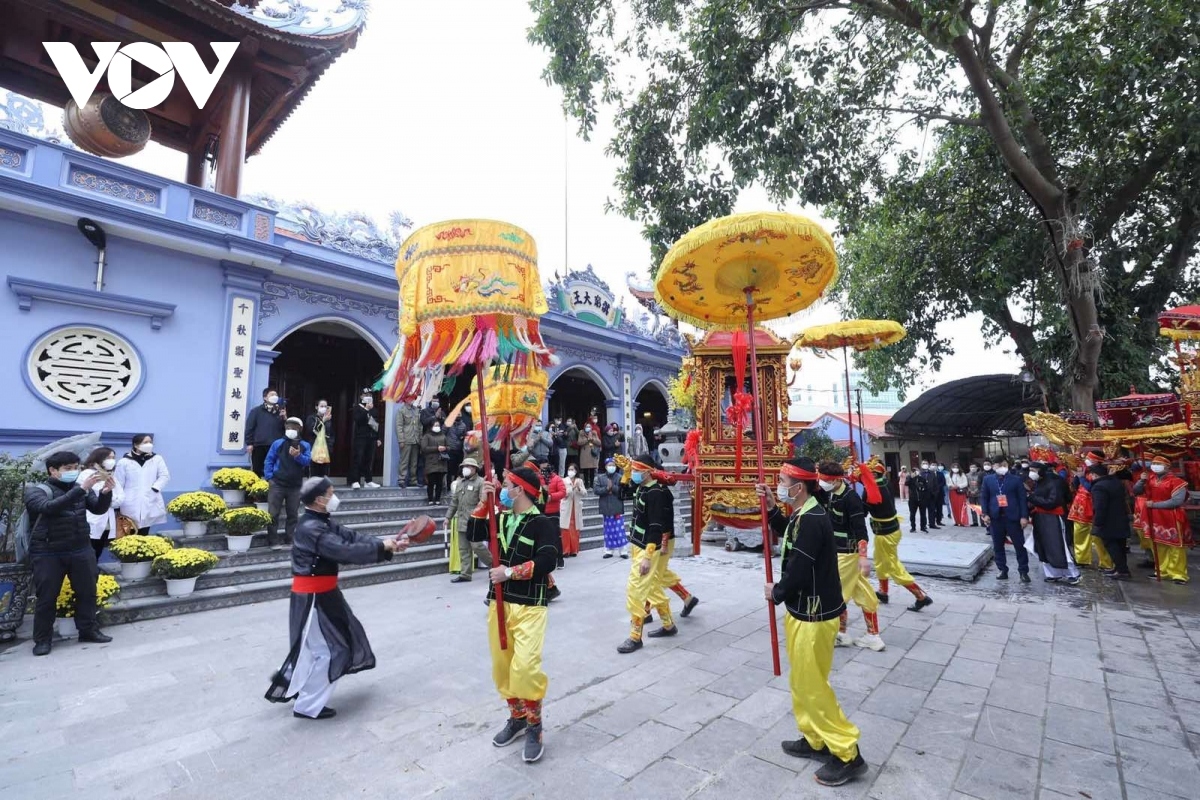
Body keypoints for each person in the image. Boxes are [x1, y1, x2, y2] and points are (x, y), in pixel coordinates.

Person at [756, 457, 867, 787]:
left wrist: (776, 591)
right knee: (801, 682)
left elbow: (800, 569)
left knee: (814, 687)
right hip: (801, 610)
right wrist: (774, 506)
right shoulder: (804, 513)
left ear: (798, 487)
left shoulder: (814, 519)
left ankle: (848, 753)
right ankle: (815, 738)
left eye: (781, 481)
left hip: (815, 615)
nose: (779, 485)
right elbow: (785, 534)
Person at [265, 477, 407, 719]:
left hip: (323, 593)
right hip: (313, 597)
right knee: (331, 651)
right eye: (331, 493)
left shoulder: (322, 522)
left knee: (313, 648)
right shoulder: (312, 528)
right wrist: (381, 547)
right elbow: (345, 551)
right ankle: (307, 705)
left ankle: (288, 680)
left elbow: (352, 538)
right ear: (319, 500)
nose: (334, 497)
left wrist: (387, 545)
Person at [481, 466, 559, 763]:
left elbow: (548, 559)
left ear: (520, 490)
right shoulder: (501, 517)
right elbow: (474, 533)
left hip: (530, 605)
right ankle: (516, 716)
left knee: (525, 668)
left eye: (506, 484)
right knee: (502, 667)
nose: (502, 487)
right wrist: (482, 503)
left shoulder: (542, 522)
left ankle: (534, 725)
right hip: (499, 603)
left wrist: (509, 572)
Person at [25, 451, 115, 656]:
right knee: (47, 598)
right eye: (68, 468)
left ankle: (88, 630)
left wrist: (105, 493)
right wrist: (81, 490)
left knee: (87, 593)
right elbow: (47, 508)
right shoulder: (37, 490)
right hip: (48, 552)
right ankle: (42, 640)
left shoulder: (79, 489)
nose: (73, 472)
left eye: (76, 467)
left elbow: (98, 510)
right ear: (53, 471)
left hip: (81, 549)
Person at [818, 463, 884, 651]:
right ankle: (873, 636)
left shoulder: (851, 498)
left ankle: (840, 633)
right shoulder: (829, 493)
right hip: (837, 551)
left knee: (837, 593)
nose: (822, 483)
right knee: (864, 594)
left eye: (826, 481)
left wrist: (863, 558)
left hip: (846, 555)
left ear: (838, 480)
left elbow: (860, 530)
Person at [618, 460, 680, 652]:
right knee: (652, 586)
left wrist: (648, 556)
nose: (635, 473)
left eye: (637, 470)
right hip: (637, 544)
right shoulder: (641, 488)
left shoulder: (656, 493)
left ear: (647, 472)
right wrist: (626, 474)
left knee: (635, 589)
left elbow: (656, 526)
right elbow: (622, 494)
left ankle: (635, 636)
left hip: (648, 547)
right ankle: (668, 624)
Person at [863, 462, 932, 612]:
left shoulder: (872, 489)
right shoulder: (884, 482)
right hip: (889, 530)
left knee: (892, 566)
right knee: (880, 561)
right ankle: (883, 592)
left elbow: (862, 511)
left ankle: (920, 596)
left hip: (885, 534)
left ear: (873, 474)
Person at [1132, 455, 1191, 584]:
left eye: (1158, 463)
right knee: (1158, 545)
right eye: (1153, 463)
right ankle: (1162, 571)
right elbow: (1136, 491)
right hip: (1154, 515)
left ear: (1167, 467)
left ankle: (1178, 574)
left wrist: (1155, 505)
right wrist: (1141, 481)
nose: (1154, 465)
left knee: (1175, 546)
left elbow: (1177, 501)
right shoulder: (1150, 479)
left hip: (1171, 516)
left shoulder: (1177, 482)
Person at [1027, 461, 1080, 585]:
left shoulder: (1054, 482)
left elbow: (1051, 502)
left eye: (1033, 470)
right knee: (1043, 546)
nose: (1031, 473)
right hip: (1040, 517)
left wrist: (1032, 497)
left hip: (1054, 518)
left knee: (1059, 546)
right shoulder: (1039, 481)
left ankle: (1073, 574)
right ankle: (1052, 573)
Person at [979, 456, 1031, 582]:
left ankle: (1023, 571)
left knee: (1019, 545)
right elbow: (984, 497)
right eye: (997, 465)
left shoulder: (1016, 480)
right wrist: (984, 513)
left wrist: (1024, 516)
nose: (1000, 467)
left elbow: (1022, 499)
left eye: (1003, 464)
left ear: (1007, 465)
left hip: (1013, 517)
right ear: (993, 466)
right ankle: (1002, 569)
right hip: (995, 518)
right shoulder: (988, 479)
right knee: (998, 545)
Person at [265, 418, 312, 548]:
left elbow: (307, 461)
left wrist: (298, 456)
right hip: (277, 483)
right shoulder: (277, 443)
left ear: (300, 429)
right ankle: (273, 540)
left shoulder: (305, 445)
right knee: (273, 513)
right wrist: (269, 477)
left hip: (295, 485)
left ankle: (290, 538)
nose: (291, 430)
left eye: (295, 428)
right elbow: (269, 460)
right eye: (289, 427)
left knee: (293, 514)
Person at [113, 434, 169, 534]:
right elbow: (118, 483)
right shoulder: (124, 462)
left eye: (150, 442)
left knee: (144, 532)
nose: (149, 444)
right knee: (128, 535)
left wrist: (155, 488)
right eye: (145, 442)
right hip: (129, 502)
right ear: (136, 445)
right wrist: (117, 503)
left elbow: (164, 476)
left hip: (149, 499)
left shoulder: (157, 459)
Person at [1088, 463, 1133, 580]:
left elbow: (1100, 506)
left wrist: (1097, 522)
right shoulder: (1116, 482)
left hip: (1108, 521)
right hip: (1120, 518)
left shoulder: (1099, 487)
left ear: (1095, 475)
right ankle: (1119, 567)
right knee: (1120, 546)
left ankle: (1122, 570)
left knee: (1112, 546)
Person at [447, 457, 488, 583]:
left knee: (477, 546)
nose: (466, 468)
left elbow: (483, 501)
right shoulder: (460, 483)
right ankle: (465, 574)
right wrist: (447, 517)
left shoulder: (480, 482)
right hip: (461, 520)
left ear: (475, 469)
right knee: (463, 549)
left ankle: (494, 566)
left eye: (469, 466)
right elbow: (454, 502)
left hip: (474, 521)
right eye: (464, 466)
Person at [1069, 453, 1113, 570]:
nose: (1087, 460)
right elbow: (1075, 486)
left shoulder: (1104, 472)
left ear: (1097, 461)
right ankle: (1081, 559)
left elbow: (1092, 488)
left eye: (1090, 459)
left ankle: (1106, 562)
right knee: (1079, 534)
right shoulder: (1084, 470)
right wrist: (1077, 477)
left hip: (1094, 506)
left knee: (1098, 537)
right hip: (1079, 507)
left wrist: (1082, 477)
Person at [79, 448, 125, 561]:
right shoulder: (88, 474)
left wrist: (109, 498)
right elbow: (101, 496)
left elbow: (120, 498)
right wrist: (109, 497)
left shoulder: (110, 476)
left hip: (107, 522)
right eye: (108, 458)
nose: (112, 460)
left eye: (113, 458)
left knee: (98, 551)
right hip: (92, 520)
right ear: (99, 458)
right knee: (89, 553)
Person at [244, 388, 285, 477]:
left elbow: (285, 429)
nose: (275, 397)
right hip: (260, 445)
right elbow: (250, 427)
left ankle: (272, 489)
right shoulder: (256, 411)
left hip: (275, 445)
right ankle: (256, 489)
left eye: (276, 395)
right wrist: (249, 443)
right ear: (265, 398)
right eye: (272, 395)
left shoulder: (280, 412)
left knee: (274, 469)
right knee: (257, 470)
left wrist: (284, 418)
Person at [594, 459, 628, 558]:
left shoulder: (620, 477)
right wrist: (606, 489)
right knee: (608, 530)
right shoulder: (600, 478)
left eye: (613, 465)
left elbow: (622, 491)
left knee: (619, 530)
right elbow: (596, 490)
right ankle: (609, 550)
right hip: (606, 507)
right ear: (605, 467)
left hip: (617, 506)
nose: (611, 467)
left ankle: (623, 551)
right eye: (609, 465)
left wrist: (612, 487)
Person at [349, 392, 382, 489]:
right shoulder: (357, 408)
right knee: (358, 459)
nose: (368, 397)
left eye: (370, 395)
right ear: (361, 397)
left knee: (369, 460)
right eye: (366, 395)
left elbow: (376, 425)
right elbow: (358, 420)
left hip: (371, 438)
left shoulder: (374, 410)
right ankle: (355, 480)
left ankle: (368, 481)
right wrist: (366, 409)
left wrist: (378, 437)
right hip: (360, 437)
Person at [303, 400, 334, 478]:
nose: (324, 408)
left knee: (324, 471)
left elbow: (331, 434)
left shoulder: (328, 419)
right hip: (314, 447)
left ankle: (323, 487)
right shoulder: (312, 418)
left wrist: (330, 445)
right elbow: (313, 431)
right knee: (314, 470)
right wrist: (323, 421)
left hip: (325, 448)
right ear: (316, 407)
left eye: (326, 406)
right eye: (322, 406)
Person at [395, 399, 422, 488]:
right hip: (406, 439)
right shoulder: (401, 410)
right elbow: (399, 426)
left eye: (413, 398)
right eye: (410, 398)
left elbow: (420, 425)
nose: (412, 400)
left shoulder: (417, 410)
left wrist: (420, 438)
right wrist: (401, 440)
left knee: (414, 461)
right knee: (404, 460)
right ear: (405, 399)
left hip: (416, 439)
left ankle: (413, 480)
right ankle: (401, 479)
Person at [560, 465, 585, 558]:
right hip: (566, 507)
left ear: (576, 471)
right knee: (565, 529)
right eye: (569, 469)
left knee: (575, 529)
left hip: (576, 507)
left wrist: (579, 488)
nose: (570, 471)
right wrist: (572, 488)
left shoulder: (579, 481)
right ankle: (565, 550)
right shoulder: (564, 480)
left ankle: (574, 550)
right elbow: (564, 494)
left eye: (572, 469)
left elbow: (584, 493)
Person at [421, 422, 449, 504]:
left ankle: (437, 499)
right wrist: (436, 448)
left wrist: (445, 448)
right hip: (431, 462)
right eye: (435, 425)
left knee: (439, 483)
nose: (437, 427)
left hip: (441, 462)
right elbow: (424, 448)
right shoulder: (427, 436)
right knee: (431, 482)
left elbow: (448, 446)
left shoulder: (443, 436)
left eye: (438, 425)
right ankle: (430, 499)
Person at [904, 466, 931, 533]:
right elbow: (906, 483)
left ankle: (923, 527)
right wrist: (911, 477)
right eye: (913, 471)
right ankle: (913, 527)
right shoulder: (910, 479)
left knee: (923, 514)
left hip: (922, 499)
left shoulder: (922, 479)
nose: (914, 472)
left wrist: (926, 498)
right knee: (912, 514)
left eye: (916, 471)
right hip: (913, 499)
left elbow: (926, 488)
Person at [577, 423, 601, 488]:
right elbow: (579, 442)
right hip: (584, 454)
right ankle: (586, 484)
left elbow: (599, 442)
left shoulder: (594, 433)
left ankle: (592, 484)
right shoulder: (581, 433)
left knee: (592, 470)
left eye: (589, 426)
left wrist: (592, 439)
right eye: (587, 426)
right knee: (585, 469)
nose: (588, 428)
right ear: (584, 427)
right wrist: (587, 439)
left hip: (592, 453)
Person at [927, 462, 946, 528]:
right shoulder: (928, 474)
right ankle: (931, 522)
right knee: (931, 509)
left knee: (939, 508)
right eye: (932, 465)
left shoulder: (940, 474)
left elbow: (943, 482)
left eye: (935, 465)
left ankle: (939, 520)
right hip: (931, 494)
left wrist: (937, 487)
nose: (934, 466)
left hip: (940, 493)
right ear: (930, 466)